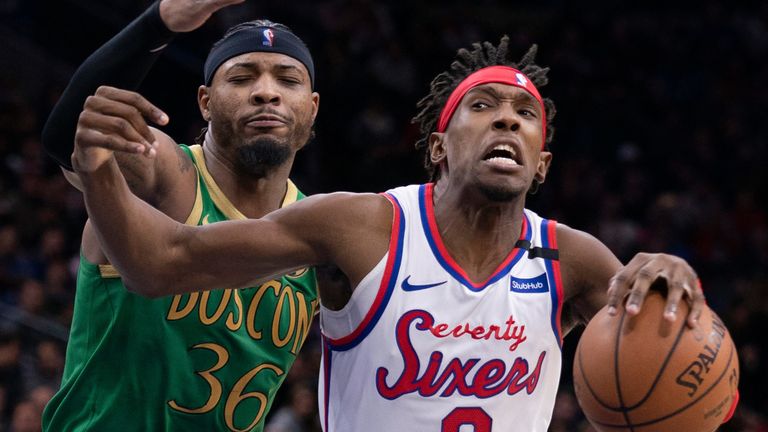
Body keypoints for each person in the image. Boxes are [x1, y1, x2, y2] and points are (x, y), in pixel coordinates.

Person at [70, 36, 722, 431]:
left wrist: (665, 275)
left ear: (542, 162)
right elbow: (161, 264)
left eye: (526, 115)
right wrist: (99, 167)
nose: (507, 122)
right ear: (439, 146)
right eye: (483, 106)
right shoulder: (358, 226)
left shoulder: (571, 259)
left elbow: (656, 343)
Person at [40, 0, 323, 430]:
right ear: (205, 103)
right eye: (242, 77)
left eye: (288, 79)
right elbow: (70, 138)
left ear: (313, 107)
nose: (267, 91)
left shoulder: (320, 231)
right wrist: (159, 23)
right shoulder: (164, 171)